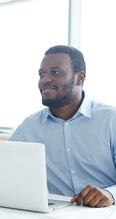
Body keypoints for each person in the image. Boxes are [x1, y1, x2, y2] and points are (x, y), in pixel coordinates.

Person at [9, 45, 116, 208]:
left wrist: (110, 194)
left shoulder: (110, 120)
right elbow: (0, 165)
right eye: (41, 74)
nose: (45, 80)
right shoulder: (30, 126)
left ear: (79, 78)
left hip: (107, 217)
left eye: (55, 72)